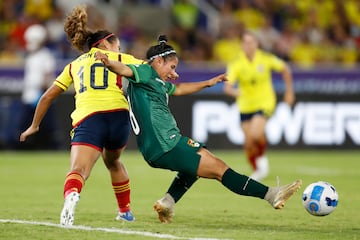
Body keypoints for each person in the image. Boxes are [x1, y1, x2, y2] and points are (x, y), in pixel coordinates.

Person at [95, 35, 302, 223]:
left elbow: (181, 89)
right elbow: (124, 69)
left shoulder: (156, 81)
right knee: (220, 169)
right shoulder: (146, 71)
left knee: (197, 163)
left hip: (160, 145)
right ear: (158, 62)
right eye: (172, 67)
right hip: (165, 144)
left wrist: (209, 83)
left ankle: (167, 202)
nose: (174, 74)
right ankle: (270, 194)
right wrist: (108, 62)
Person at [20, 5, 144, 226]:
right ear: (104, 43)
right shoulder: (123, 58)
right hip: (119, 117)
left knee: (79, 170)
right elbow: (151, 72)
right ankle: (125, 211)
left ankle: (72, 197)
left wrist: (34, 125)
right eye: (116, 43)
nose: (119, 47)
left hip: (89, 118)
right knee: (113, 162)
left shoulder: (74, 65)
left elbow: (48, 96)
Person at [224, 31, 295, 182]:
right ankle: (258, 165)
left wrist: (289, 92)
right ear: (242, 45)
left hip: (265, 102)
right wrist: (235, 92)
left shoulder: (266, 59)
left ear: (257, 44)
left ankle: (260, 166)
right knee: (249, 142)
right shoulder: (236, 63)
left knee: (255, 134)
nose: (248, 45)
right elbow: (228, 87)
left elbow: (285, 69)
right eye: (246, 42)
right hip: (245, 105)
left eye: (251, 42)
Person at [17, 24, 60, 150]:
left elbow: (47, 78)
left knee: (47, 129)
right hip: (29, 96)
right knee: (25, 126)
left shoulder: (46, 56)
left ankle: (51, 149)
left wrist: (42, 93)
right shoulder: (30, 56)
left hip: (41, 97)